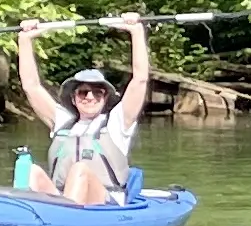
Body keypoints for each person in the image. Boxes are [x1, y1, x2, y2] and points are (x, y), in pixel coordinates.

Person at [16, 15, 151, 204]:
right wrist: (25, 40)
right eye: (83, 92)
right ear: (74, 97)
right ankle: (27, 213)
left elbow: (140, 79)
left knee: (79, 170)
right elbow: (31, 85)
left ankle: (65, 217)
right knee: (32, 171)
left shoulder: (117, 122)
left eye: (97, 93)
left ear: (105, 98)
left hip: (105, 202)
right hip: (63, 199)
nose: (90, 97)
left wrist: (136, 32)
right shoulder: (62, 122)